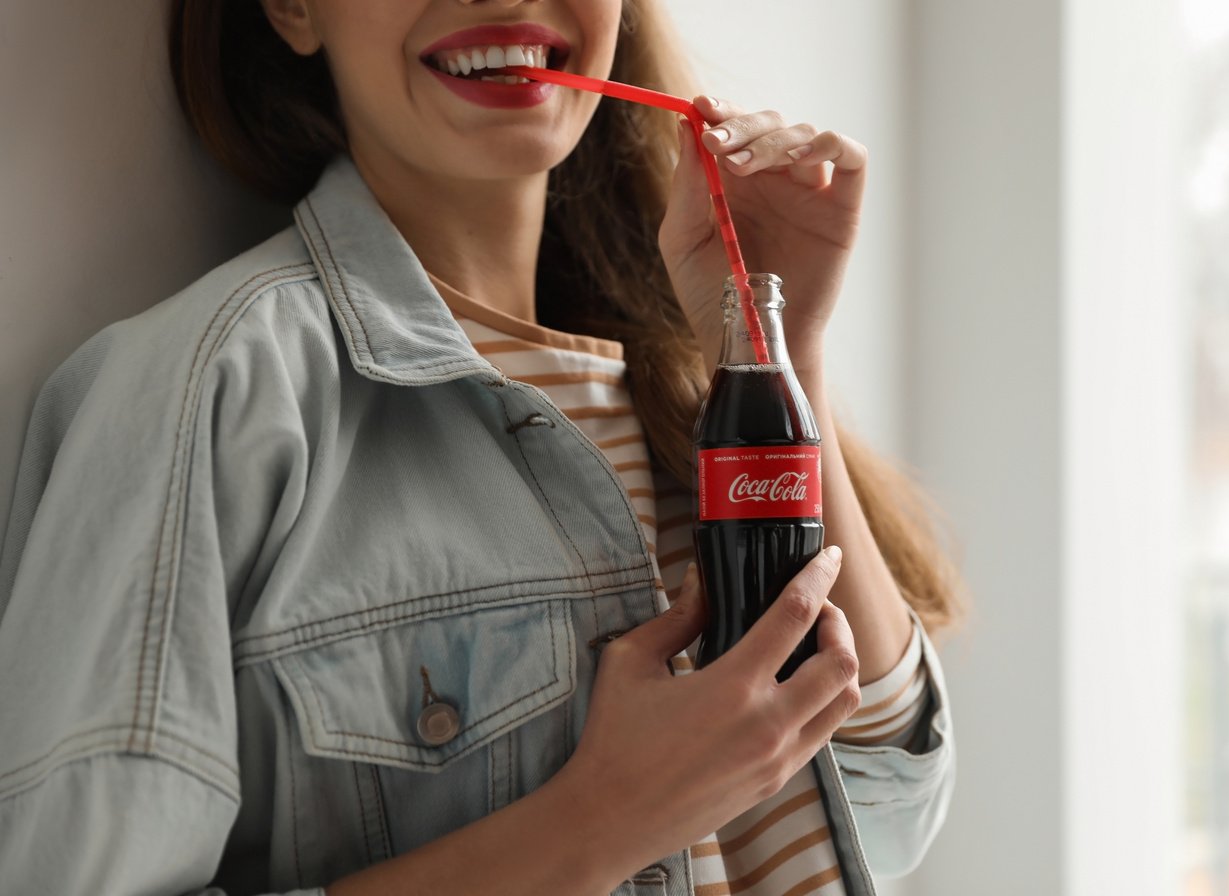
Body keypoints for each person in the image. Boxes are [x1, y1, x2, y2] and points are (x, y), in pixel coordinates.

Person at [0, 0, 959, 893]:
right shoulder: (210, 390)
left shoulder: (680, 386)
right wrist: (603, 819)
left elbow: (883, 806)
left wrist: (773, 345)